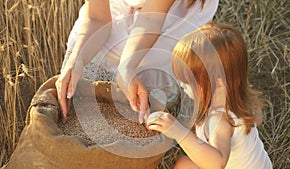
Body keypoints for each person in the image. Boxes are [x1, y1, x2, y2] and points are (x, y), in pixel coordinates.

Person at [55, 0, 219, 123]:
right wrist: (77, 59)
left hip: (169, 12)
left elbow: (150, 19)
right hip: (128, 7)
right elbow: (97, 18)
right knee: (84, 49)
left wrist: (126, 67)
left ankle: (147, 105)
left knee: (146, 60)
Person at [146, 22, 273, 168]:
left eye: (187, 81)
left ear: (216, 83)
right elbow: (258, 120)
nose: (181, 84)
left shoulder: (218, 120)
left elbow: (216, 164)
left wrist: (178, 132)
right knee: (186, 163)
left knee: (184, 165)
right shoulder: (239, 99)